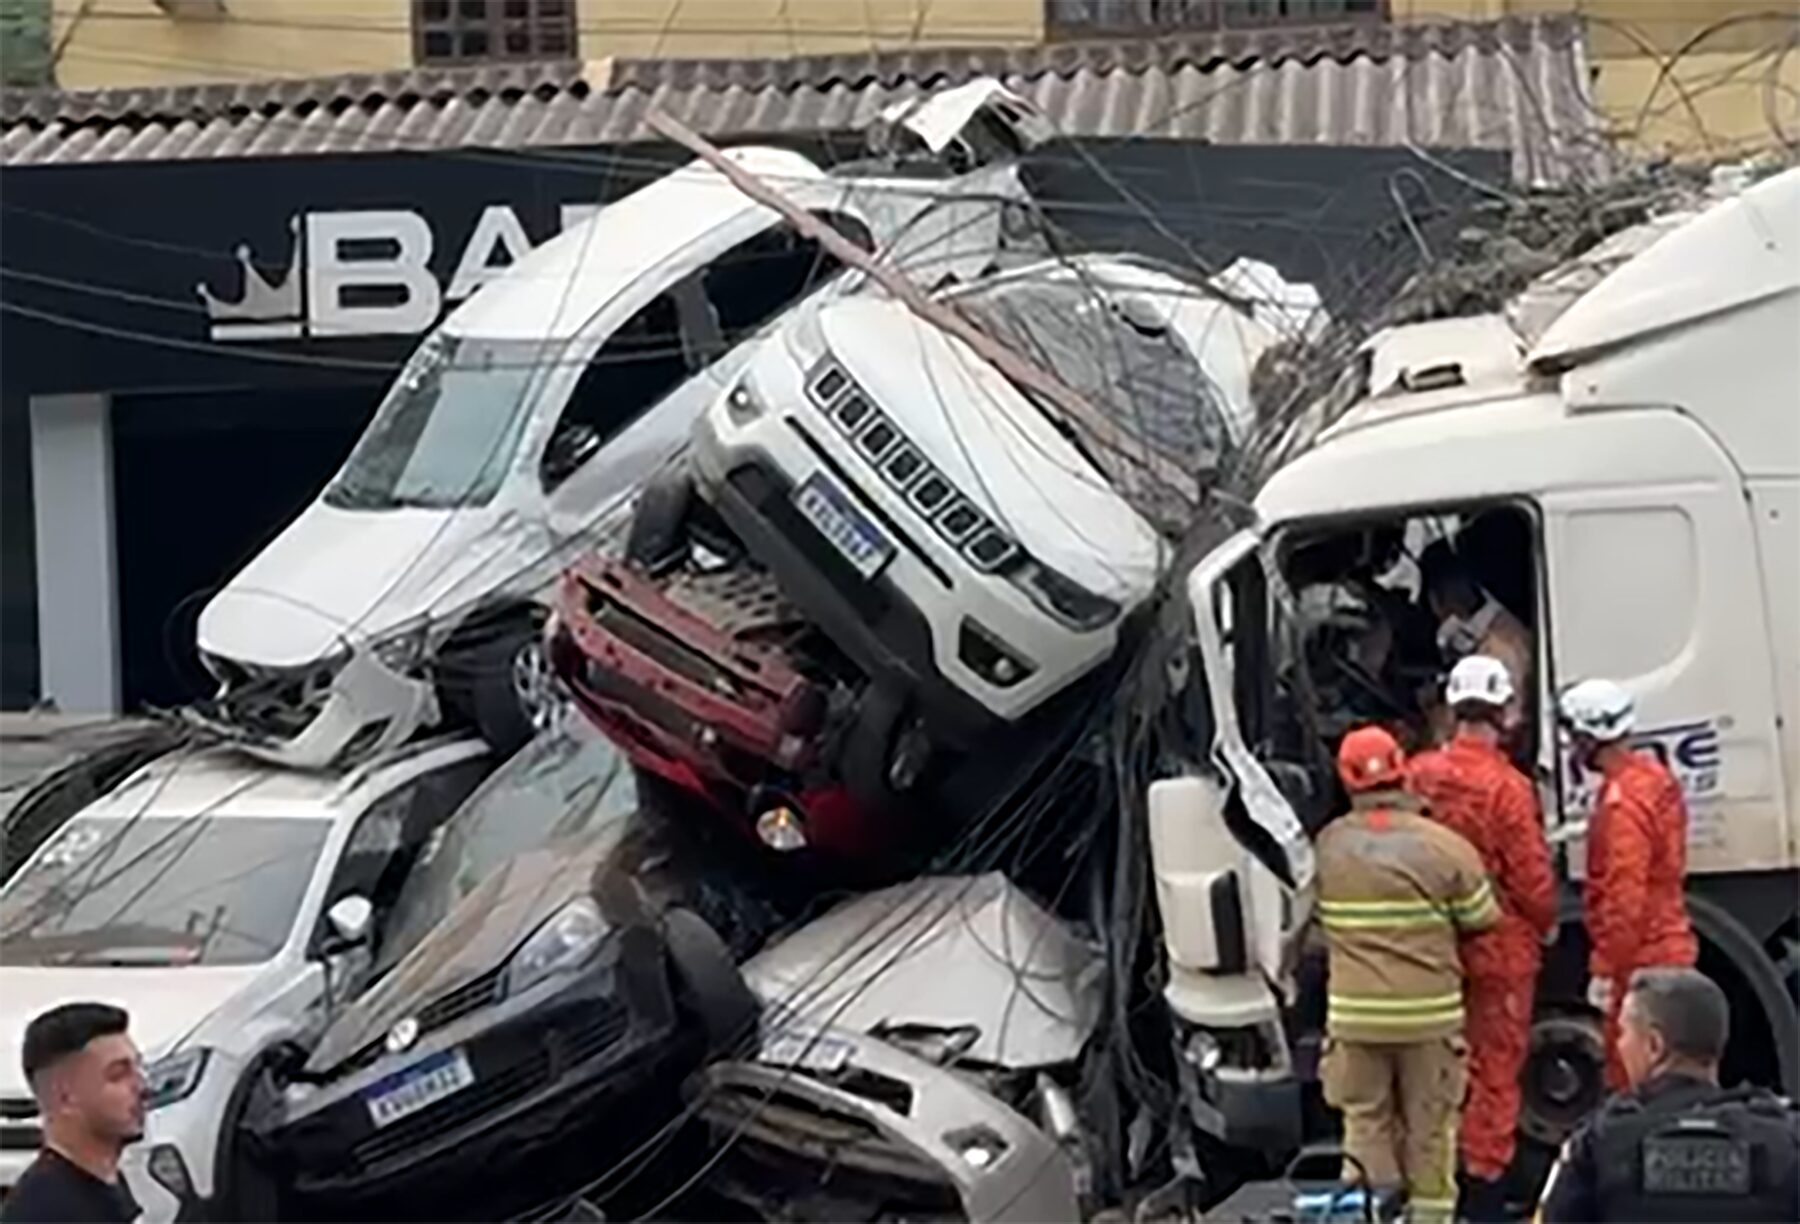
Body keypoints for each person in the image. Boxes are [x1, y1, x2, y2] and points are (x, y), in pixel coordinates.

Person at [1316, 725, 1501, 1224]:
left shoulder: (1326, 847)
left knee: (1364, 1123)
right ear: (1403, 768)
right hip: (1429, 1020)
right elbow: (1483, 917)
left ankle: (1371, 1216)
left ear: (1345, 779)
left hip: (1354, 1020)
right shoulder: (1444, 847)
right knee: (1431, 1131)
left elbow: (1304, 926)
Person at [1407, 655, 1557, 1218]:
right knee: (1494, 1074)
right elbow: (1533, 881)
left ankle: (1432, 1189)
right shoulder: (1509, 790)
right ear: (1503, 713)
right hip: (1500, 950)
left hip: (1430, 949)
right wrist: (1544, 926)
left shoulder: (1418, 774)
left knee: (1436, 1069)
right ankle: (1485, 1195)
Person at [1535, 967, 1800, 1222]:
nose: (1617, 1045)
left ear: (1654, 1046)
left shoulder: (1598, 1143)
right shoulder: (1786, 1140)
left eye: (1624, 1033)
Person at [1558, 679, 1698, 1091]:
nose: (1571, 747)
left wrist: (1606, 967)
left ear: (1590, 736)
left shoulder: (1622, 806)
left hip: (1640, 958)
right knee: (1677, 1077)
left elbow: (1623, 895)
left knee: (1635, 1081)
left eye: (1574, 737)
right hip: (1669, 944)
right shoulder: (1654, 779)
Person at [2, 1003, 143, 1224]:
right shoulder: (46, 1212)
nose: (142, 1086)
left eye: (138, 1069)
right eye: (118, 1075)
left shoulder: (105, 1184)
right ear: (66, 1097)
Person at [1419, 542, 1531, 737]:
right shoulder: (1496, 632)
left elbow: (1509, 722)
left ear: (1438, 599)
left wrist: (1435, 712)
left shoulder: (1500, 648)